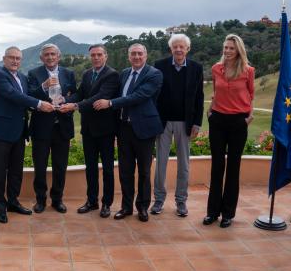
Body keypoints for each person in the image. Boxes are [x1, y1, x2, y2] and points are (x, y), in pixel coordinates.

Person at [95, 43, 163, 222]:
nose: (137, 57)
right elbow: (118, 95)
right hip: (124, 128)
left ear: (146, 55)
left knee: (144, 172)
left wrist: (109, 103)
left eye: (140, 53)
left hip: (144, 130)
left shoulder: (154, 74)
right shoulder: (124, 73)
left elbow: (139, 96)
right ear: (128, 56)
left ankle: (142, 207)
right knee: (125, 171)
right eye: (133, 54)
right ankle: (126, 207)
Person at [0, 46, 55, 223]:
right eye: (12, 58)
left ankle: (13, 202)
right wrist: (40, 104)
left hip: (19, 131)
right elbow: (13, 95)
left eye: (18, 58)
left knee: (16, 171)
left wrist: (44, 87)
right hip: (2, 132)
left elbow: (28, 94)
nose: (15, 61)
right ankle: (0, 207)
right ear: (4, 59)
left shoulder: (22, 78)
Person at [59, 44, 120, 218]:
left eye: (99, 54)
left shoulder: (112, 75)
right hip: (88, 130)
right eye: (93, 55)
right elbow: (80, 93)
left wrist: (76, 105)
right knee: (90, 168)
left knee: (107, 169)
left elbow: (99, 97)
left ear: (105, 56)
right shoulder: (87, 74)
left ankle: (106, 203)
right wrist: (64, 100)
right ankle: (91, 201)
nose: (96, 58)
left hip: (106, 130)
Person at [204, 34, 254, 228]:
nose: (227, 51)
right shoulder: (217, 69)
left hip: (238, 122)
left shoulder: (248, 71)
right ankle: (212, 212)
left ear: (238, 50)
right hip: (217, 119)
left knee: (233, 168)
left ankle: (228, 214)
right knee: (217, 167)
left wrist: (248, 117)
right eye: (225, 47)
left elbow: (251, 94)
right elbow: (216, 92)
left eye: (231, 48)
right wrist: (209, 112)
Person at [152, 34, 204, 217]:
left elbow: (199, 97)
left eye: (182, 47)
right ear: (171, 49)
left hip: (185, 123)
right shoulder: (159, 66)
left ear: (187, 49)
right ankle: (158, 200)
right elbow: (154, 94)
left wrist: (197, 123)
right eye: (175, 47)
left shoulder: (196, 68)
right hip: (163, 122)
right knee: (161, 164)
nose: (179, 50)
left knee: (184, 165)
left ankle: (181, 201)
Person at [27, 43, 77, 213]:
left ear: (58, 56)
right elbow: (29, 96)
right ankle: (40, 200)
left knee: (60, 166)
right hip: (41, 126)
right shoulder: (34, 74)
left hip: (62, 126)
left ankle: (57, 199)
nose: (50, 57)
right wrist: (44, 86)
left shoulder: (68, 73)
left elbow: (75, 93)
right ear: (42, 58)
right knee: (40, 166)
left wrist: (67, 100)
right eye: (46, 54)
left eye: (53, 54)